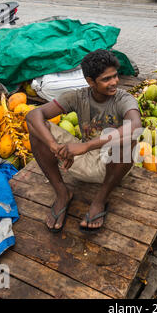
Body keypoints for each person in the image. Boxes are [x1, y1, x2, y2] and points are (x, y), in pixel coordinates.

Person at [26, 49, 142, 234]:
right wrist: (54, 146)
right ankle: (62, 194)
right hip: (79, 161)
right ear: (90, 81)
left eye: (115, 76)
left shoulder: (123, 99)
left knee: (129, 140)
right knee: (37, 129)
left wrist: (86, 145)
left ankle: (100, 200)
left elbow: (135, 126)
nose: (114, 82)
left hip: (112, 166)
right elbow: (34, 114)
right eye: (106, 79)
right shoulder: (77, 96)